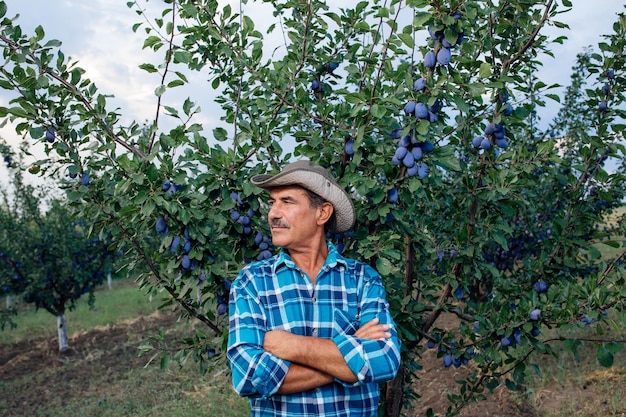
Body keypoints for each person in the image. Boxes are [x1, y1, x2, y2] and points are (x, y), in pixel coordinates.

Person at [227, 160, 401, 417]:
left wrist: (292, 346)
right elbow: (248, 377)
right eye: (273, 202)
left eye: (287, 202)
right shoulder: (252, 282)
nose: (273, 213)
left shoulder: (362, 279)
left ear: (322, 213)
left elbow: (385, 360)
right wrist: (350, 354)